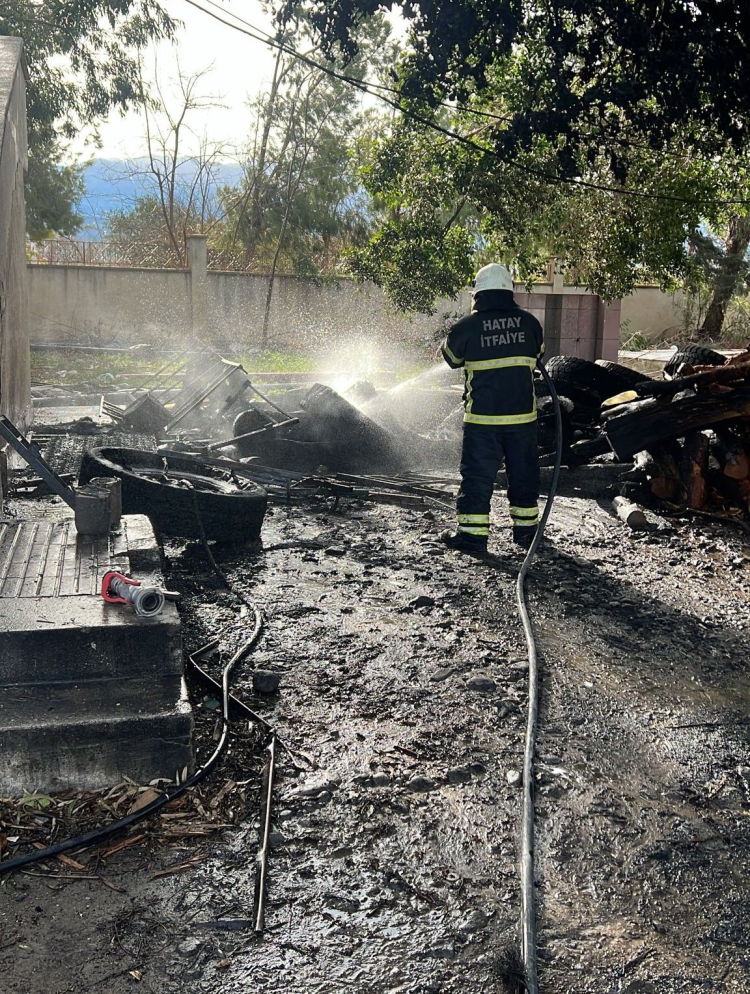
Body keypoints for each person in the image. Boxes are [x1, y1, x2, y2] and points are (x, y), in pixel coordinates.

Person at [440, 263, 545, 554]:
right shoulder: (530, 323)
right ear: (509, 292)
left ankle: (473, 538)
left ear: (479, 294)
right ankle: (526, 534)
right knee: (524, 475)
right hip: (523, 419)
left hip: (482, 420)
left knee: (477, 477)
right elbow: (539, 356)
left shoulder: (466, 327)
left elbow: (450, 358)